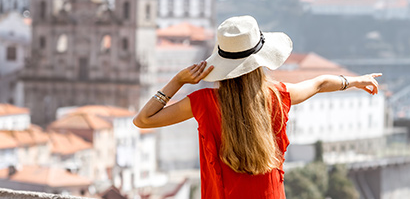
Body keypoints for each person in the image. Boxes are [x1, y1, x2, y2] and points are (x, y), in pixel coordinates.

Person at [133, 15, 381, 198]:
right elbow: (319, 83)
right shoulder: (276, 96)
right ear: (259, 61)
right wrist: (355, 81)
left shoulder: (204, 103)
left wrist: (178, 80)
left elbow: (143, 120)